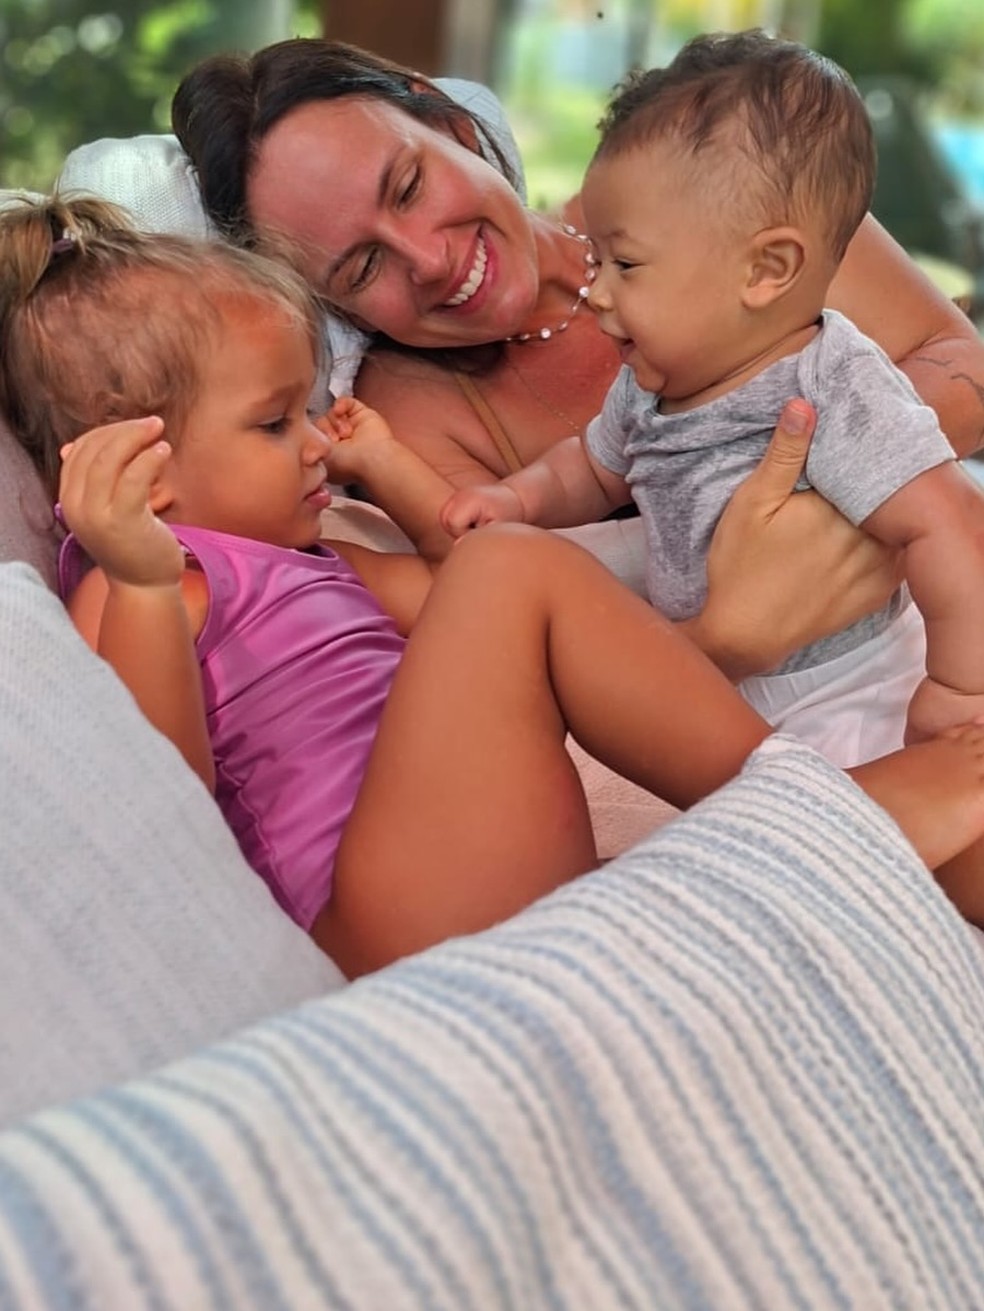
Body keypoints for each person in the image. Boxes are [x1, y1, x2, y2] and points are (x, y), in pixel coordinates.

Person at [5, 195, 984, 981]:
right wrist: (133, 580)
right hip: (382, 928)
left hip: (466, 875)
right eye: (272, 425)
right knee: (508, 568)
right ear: (143, 469)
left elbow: (495, 627)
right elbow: (160, 812)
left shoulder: (321, 563)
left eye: (307, 408)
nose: (314, 443)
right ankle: (819, 811)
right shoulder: (149, 586)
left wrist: (388, 473)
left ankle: (851, 848)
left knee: (511, 574)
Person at [442, 29, 984, 769]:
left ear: (766, 270)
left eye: (625, 264)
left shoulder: (829, 380)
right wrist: (518, 500)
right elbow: (591, 467)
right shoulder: (647, 383)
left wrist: (958, 687)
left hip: (852, 688)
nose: (597, 291)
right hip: (727, 686)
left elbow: (949, 521)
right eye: (598, 260)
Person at [170, 35, 984, 503]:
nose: (428, 258)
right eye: (362, 266)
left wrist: (783, 496)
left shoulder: (697, 177)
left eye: (410, 185)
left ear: (451, 124)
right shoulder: (409, 418)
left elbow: (961, 367)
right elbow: (518, 589)